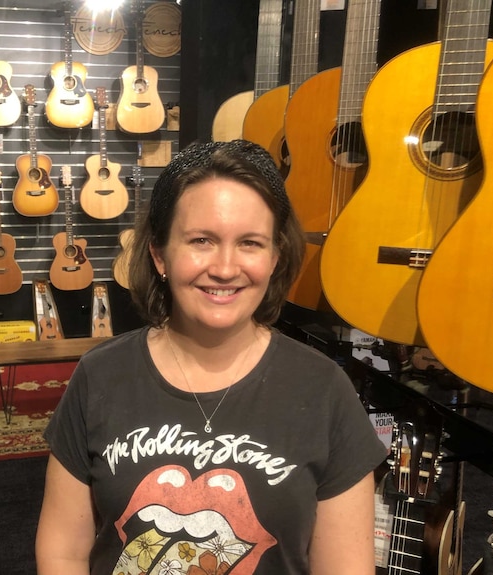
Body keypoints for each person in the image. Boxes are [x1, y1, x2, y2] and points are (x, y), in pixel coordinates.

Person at [36, 140, 386, 574]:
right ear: (160, 254)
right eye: (201, 240)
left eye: (250, 243)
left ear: (275, 257)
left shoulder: (323, 390)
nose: (224, 267)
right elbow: (64, 552)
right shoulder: (100, 376)